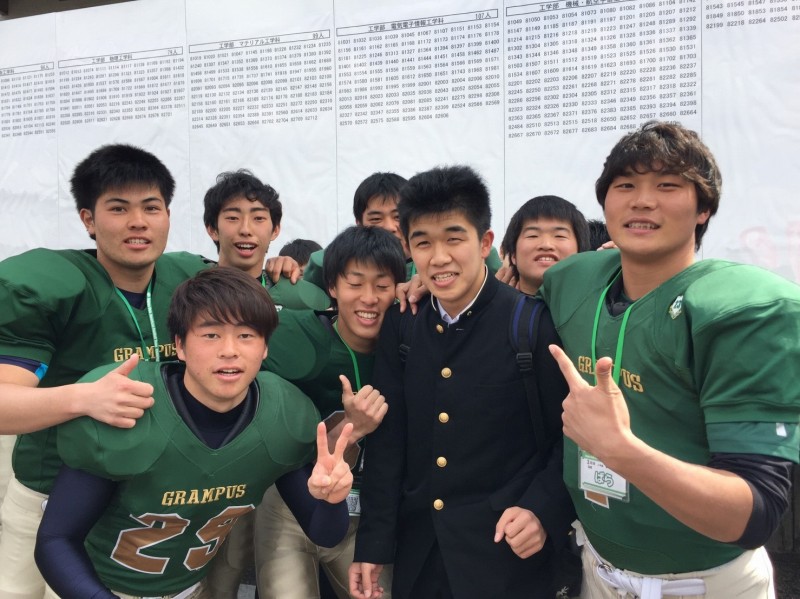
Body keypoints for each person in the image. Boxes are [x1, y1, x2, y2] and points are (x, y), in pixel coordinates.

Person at [541, 121, 800, 598]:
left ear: (704, 209)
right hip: (597, 571)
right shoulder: (574, 281)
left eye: (667, 185)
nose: (642, 201)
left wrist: (620, 449)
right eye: (626, 185)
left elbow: (754, 513)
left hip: (706, 583)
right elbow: (505, 290)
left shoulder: (739, 311)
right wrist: (422, 284)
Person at [34, 267, 354, 599]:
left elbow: (324, 534)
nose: (229, 350)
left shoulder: (284, 414)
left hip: (190, 590)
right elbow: (56, 540)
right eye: (211, 334)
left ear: (265, 347)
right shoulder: (127, 405)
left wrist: (332, 501)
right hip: (95, 586)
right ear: (180, 345)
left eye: (246, 335)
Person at [350, 165, 574, 599]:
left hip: (508, 554)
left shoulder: (531, 323)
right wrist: (374, 543)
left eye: (454, 239)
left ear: (485, 242)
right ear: (408, 248)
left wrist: (543, 510)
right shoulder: (403, 323)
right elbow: (389, 443)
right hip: (420, 555)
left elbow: (571, 436)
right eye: (423, 242)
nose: (438, 258)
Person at [0, 144, 207, 598]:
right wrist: (83, 398)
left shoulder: (188, 281)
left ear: (168, 215)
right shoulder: (54, 286)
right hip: (49, 493)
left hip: (141, 501)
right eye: (118, 208)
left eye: (151, 207)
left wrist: (285, 266)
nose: (138, 221)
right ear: (88, 219)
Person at [252, 225, 405, 599]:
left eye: (382, 285)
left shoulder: (410, 344)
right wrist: (352, 426)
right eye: (355, 283)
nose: (369, 297)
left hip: (366, 514)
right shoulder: (296, 336)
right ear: (332, 287)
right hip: (291, 505)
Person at [203, 169, 330, 310]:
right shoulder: (193, 291)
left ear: (275, 230)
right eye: (233, 218)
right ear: (212, 229)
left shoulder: (300, 301)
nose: (245, 230)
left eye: (258, 218)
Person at [499, 195, 590, 296]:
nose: (546, 245)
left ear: (580, 252)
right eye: (533, 235)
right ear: (513, 255)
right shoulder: (494, 303)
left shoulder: (597, 303)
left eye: (560, 236)